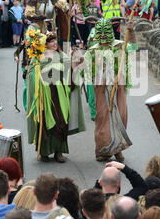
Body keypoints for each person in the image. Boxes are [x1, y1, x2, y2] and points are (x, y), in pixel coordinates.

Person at [26, 31, 85, 163]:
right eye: (51, 41)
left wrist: (77, 59)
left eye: (55, 41)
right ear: (44, 44)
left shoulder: (61, 55)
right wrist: (37, 78)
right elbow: (30, 74)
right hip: (44, 95)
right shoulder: (37, 57)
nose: (54, 43)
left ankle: (59, 152)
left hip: (60, 94)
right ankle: (45, 152)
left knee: (61, 121)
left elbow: (71, 69)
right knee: (45, 122)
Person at [84, 19, 137, 162]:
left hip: (117, 87)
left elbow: (133, 47)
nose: (102, 36)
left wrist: (131, 31)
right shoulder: (92, 50)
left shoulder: (120, 46)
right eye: (99, 33)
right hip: (100, 89)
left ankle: (118, 149)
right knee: (102, 119)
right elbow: (87, 73)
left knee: (120, 117)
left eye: (104, 33)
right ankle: (103, 150)